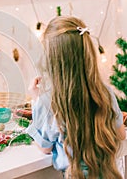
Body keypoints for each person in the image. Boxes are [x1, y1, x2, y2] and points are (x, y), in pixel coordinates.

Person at [26, 16, 126, 178]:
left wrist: (37, 99)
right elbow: (121, 134)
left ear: (52, 61)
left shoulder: (47, 102)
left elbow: (45, 146)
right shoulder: (106, 93)